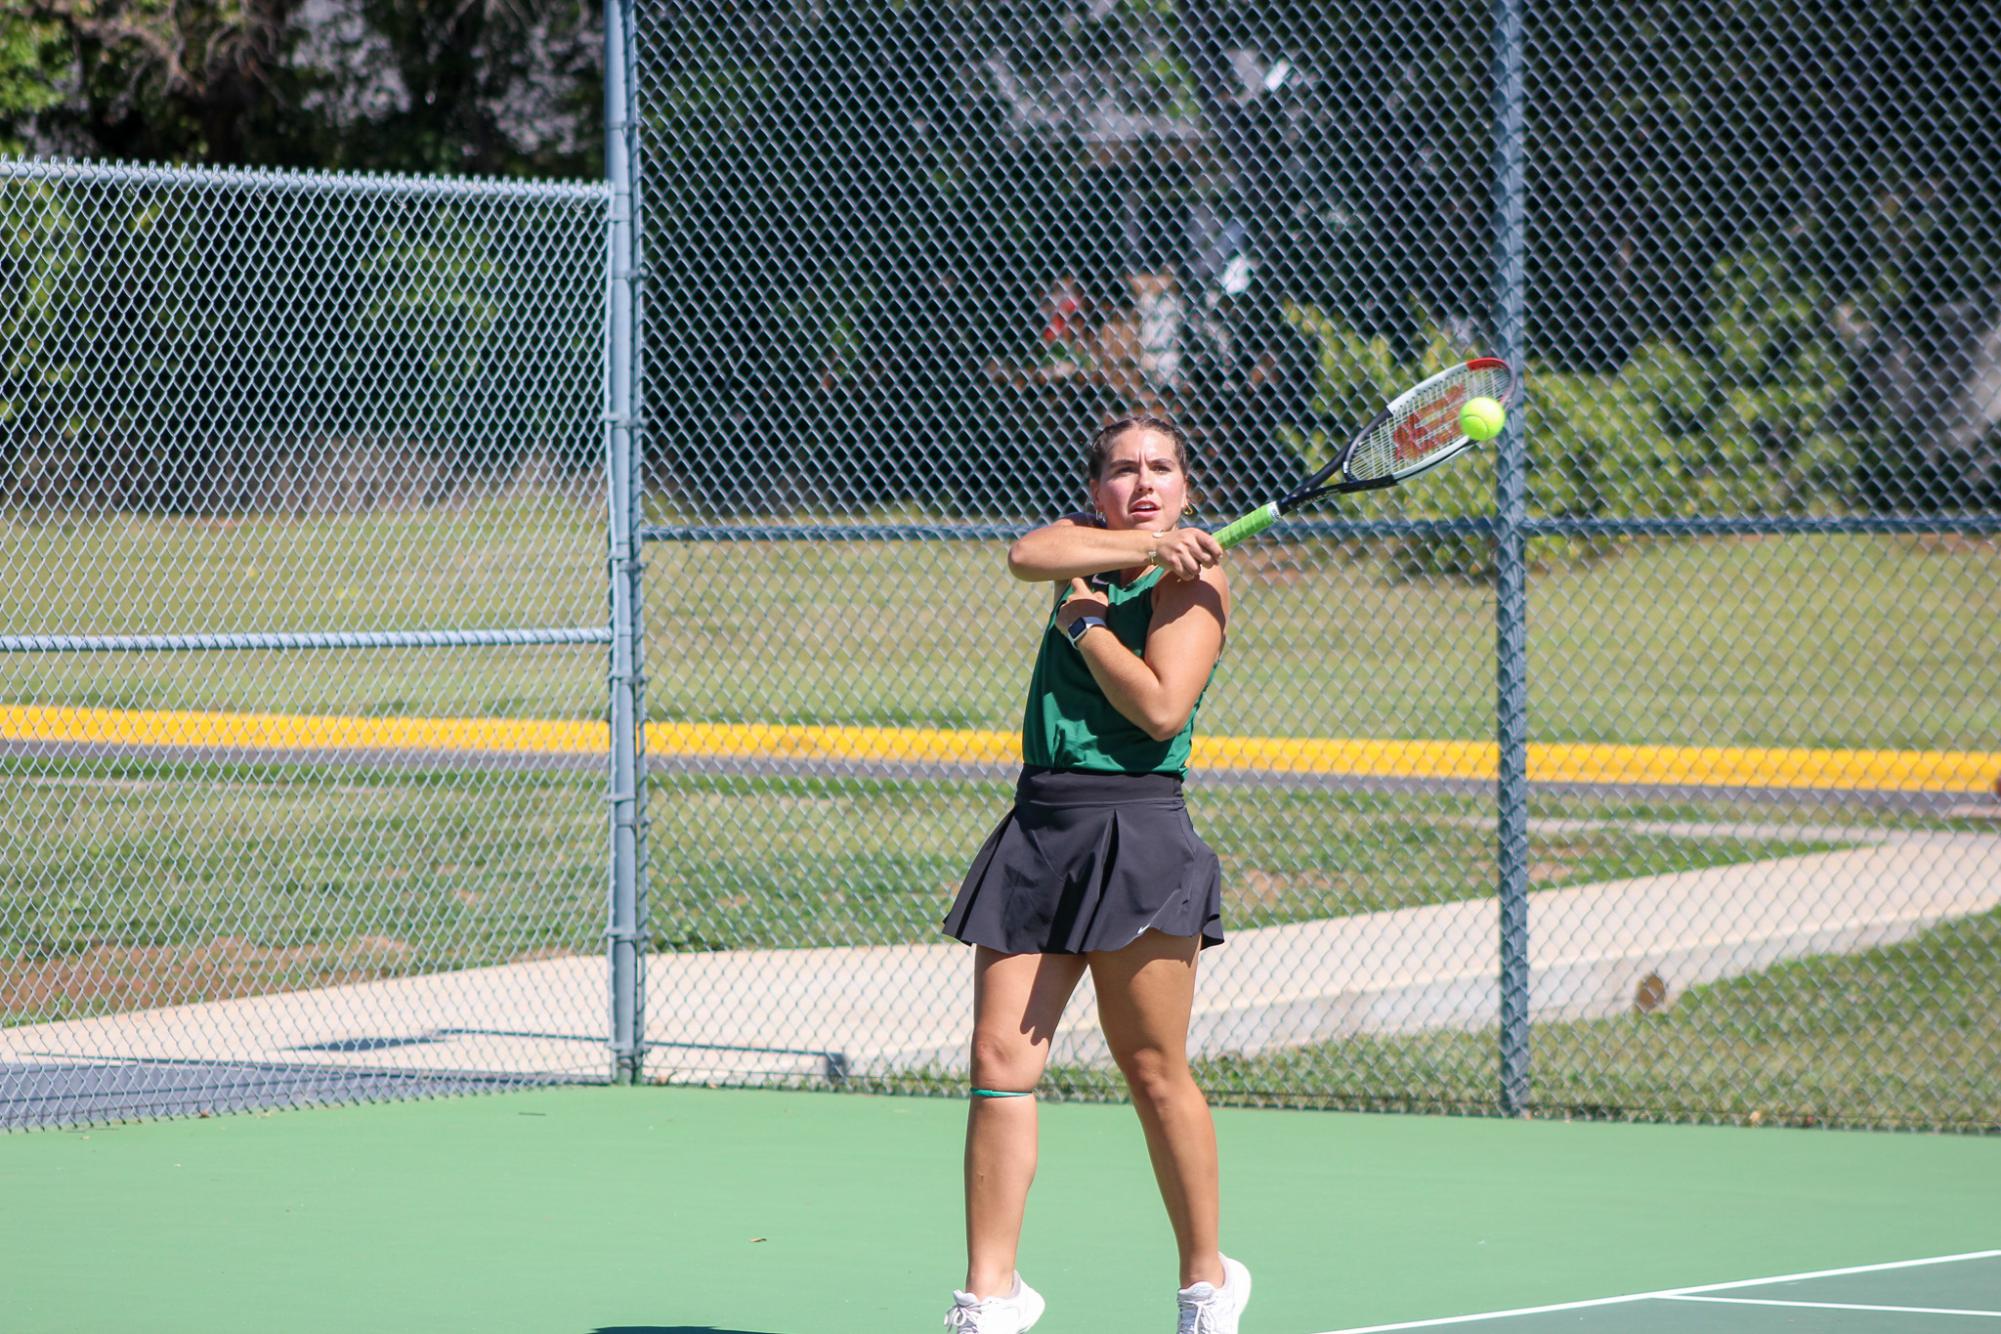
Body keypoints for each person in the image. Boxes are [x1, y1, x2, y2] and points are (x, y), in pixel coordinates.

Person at [939, 415, 1251, 1333]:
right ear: (1098, 489)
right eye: (1122, 470)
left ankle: (1206, 1281)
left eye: (1161, 468)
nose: (1143, 481)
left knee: (1152, 1068)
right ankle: (989, 1297)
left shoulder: (1197, 586)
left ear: (1188, 487)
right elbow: (1023, 550)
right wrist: (1124, 559)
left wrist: (1084, 627)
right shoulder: (1079, 553)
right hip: (1041, 826)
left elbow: (1158, 707)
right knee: (998, 1061)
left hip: (1138, 829)